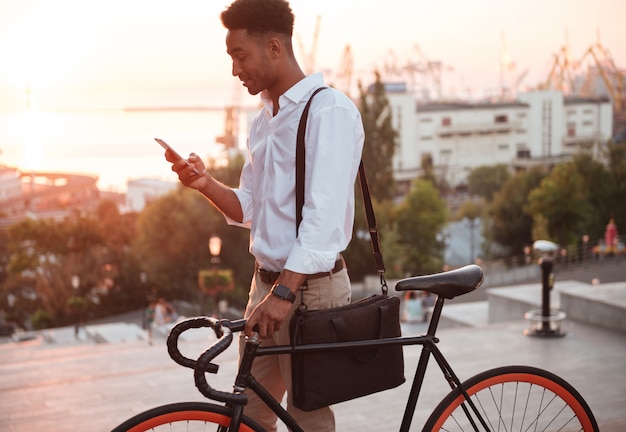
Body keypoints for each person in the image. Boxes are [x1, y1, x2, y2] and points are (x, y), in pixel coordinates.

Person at [162, 0, 364, 429]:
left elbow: (322, 221)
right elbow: (253, 208)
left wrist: (285, 295)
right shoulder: (264, 120)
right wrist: (206, 184)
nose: (235, 70)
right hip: (267, 290)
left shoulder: (329, 112)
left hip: (309, 292)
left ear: (274, 47)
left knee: (307, 419)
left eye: (240, 56)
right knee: (248, 416)